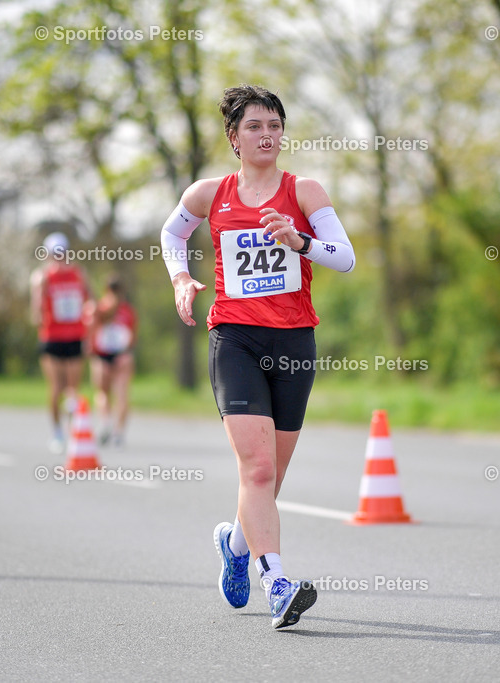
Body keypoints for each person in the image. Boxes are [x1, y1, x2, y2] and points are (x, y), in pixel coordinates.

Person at [160, 84, 355, 629]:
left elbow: (345, 257)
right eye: (254, 126)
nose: (267, 135)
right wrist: (180, 279)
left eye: (274, 125)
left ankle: (234, 544)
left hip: (293, 342)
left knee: (272, 475)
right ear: (234, 137)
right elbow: (171, 233)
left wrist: (300, 242)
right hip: (235, 340)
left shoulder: (305, 190)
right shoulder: (209, 194)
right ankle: (278, 584)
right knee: (259, 466)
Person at [30, 231, 89, 453]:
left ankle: (74, 428)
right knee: (56, 387)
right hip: (52, 338)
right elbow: (35, 311)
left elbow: (89, 300)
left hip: (74, 336)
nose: (59, 257)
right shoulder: (42, 277)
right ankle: (56, 432)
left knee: (73, 390)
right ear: (47, 254)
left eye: (62, 253)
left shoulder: (78, 274)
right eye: (55, 253)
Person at [84, 276, 137, 447]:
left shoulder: (126, 311)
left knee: (118, 394)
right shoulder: (99, 308)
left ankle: (116, 431)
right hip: (104, 354)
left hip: (119, 354)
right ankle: (108, 424)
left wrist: (125, 353)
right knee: (105, 391)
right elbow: (91, 330)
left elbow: (132, 334)